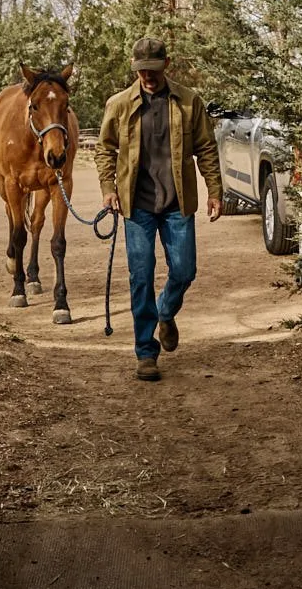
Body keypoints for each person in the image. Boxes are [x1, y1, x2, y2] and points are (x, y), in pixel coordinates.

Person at [94, 37, 224, 381]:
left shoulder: (188, 102)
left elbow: (206, 148)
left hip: (177, 203)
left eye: (153, 70)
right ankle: (145, 352)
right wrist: (109, 189)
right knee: (141, 275)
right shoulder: (119, 104)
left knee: (184, 271)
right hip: (136, 205)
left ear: (166, 65)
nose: (147, 77)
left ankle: (165, 312)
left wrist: (215, 191)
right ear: (134, 69)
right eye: (141, 71)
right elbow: (105, 150)